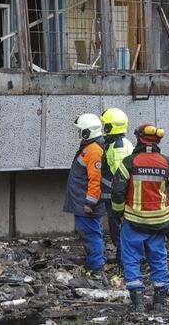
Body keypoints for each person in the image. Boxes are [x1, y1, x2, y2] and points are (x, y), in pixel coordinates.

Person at [111, 124, 169, 313]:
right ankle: (160, 302)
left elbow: (117, 191)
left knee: (131, 259)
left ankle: (138, 302)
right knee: (158, 259)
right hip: (160, 222)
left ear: (138, 139)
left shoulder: (129, 162)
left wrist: (118, 213)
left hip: (134, 222)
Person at [63, 112, 107, 280]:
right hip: (83, 201)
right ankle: (93, 264)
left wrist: (90, 202)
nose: (78, 133)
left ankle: (96, 269)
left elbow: (95, 179)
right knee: (90, 233)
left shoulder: (94, 150)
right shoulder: (90, 147)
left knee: (91, 234)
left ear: (87, 132)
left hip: (87, 204)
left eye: (80, 130)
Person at [100, 107, 136, 268]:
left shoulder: (118, 147)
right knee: (119, 227)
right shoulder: (119, 143)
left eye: (105, 125)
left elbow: (121, 176)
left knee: (118, 228)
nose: (103, 129)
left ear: (110, 127)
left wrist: (119, 198)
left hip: (114, 196)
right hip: (114, 194)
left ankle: (124, 259)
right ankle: (124, 256)